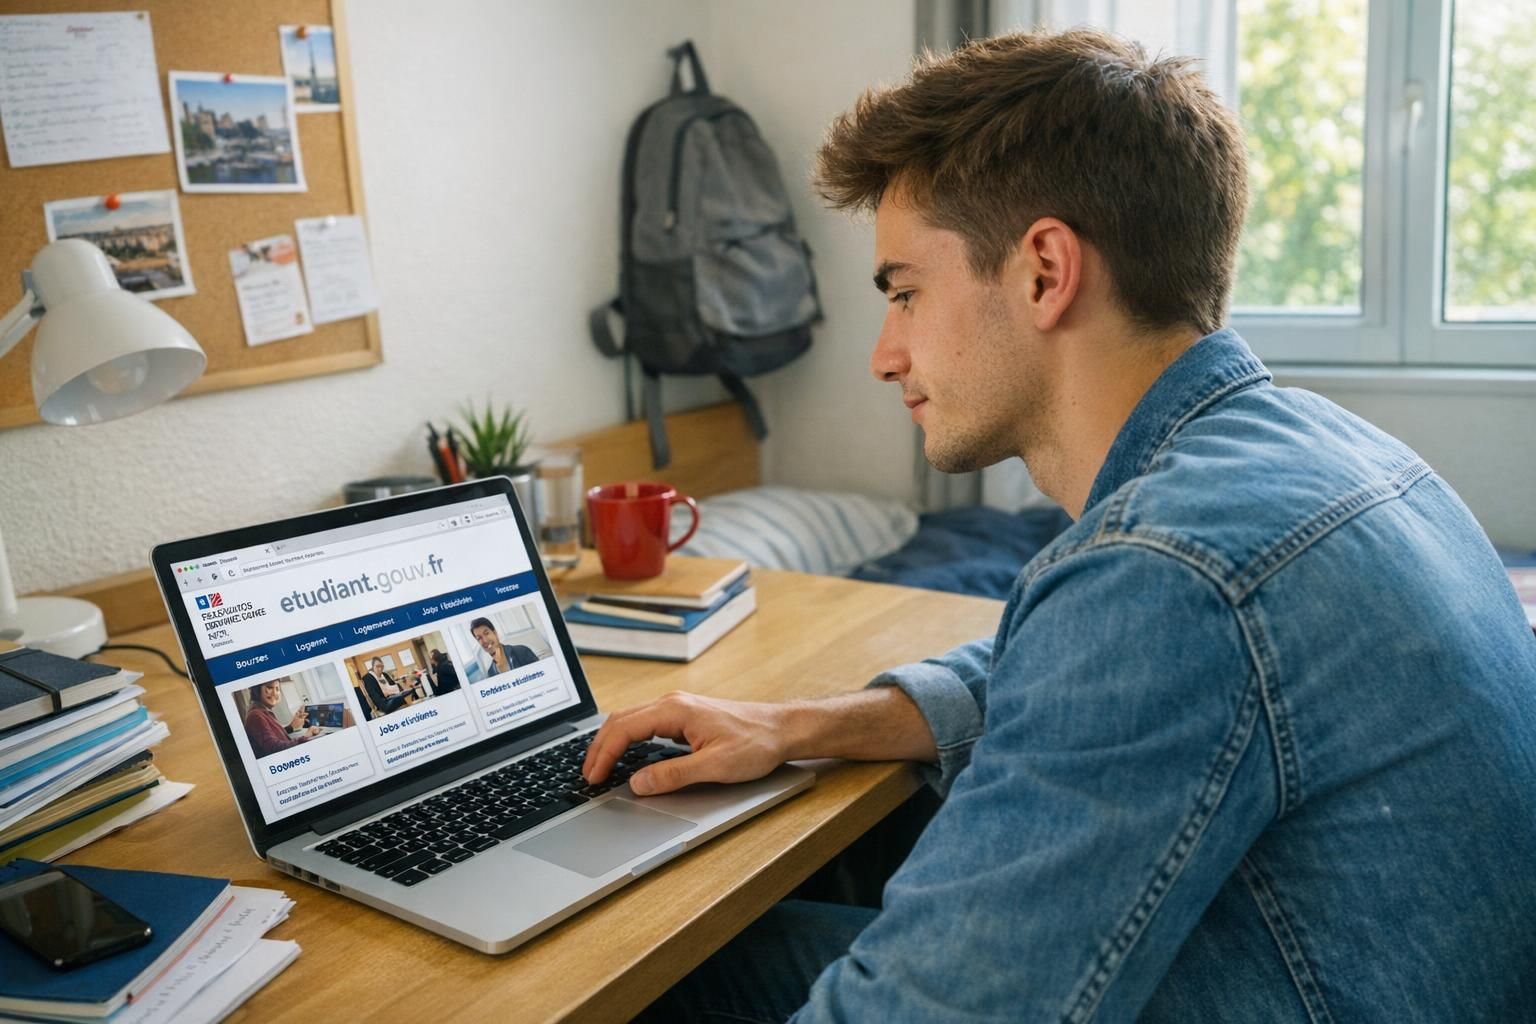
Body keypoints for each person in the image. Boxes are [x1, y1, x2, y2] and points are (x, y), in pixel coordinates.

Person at [587, 29, 1536, 1023]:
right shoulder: (1343, 454)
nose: (883, 354)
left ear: (1045, 269)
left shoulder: (1165, 570)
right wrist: (802, 724)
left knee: (686, 967)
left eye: (906, 293)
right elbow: (1069, 672)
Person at [242, 679, 318, 759]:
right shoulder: (256, 715)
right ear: (256, 690)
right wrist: (306, 736)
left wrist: (291, 727)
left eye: (277, 689)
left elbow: (271, 736)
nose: (275, 693)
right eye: (269, 688)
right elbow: (274, 748)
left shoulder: (263, 712)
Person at [469, 617, 537, 676]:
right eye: (479, 638)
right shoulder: (491, 673)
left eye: (486, 633)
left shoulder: (522, 651)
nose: (485, 640)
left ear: (495, 633)